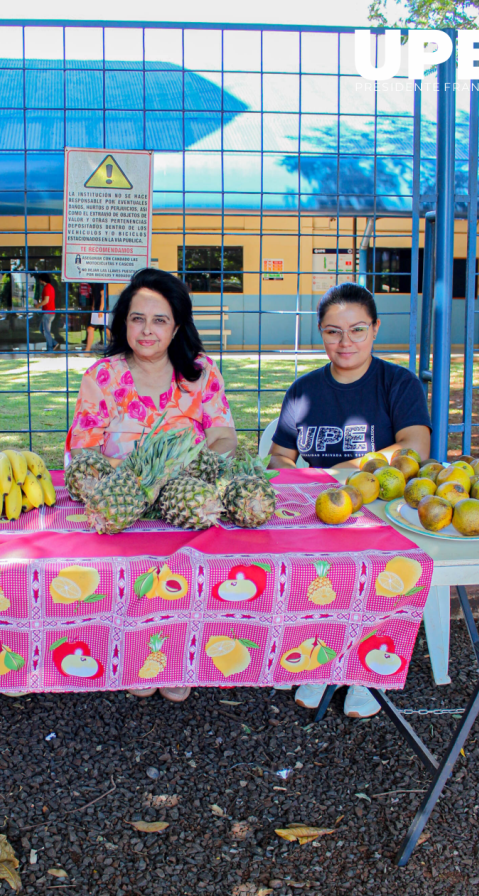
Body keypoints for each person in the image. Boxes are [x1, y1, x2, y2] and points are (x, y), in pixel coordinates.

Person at [66, 268, 237, 703]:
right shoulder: (103, 376)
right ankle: (136, 654)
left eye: (160, 319)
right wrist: (133, 481)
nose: (147, 329)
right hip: (124, 502)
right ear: (122, 323)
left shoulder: (200, 373)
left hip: (186, 499)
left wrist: (197, 468)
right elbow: (84, 449)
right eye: (137, 318)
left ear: (178, 325)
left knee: (188, 573)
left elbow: (223, 434)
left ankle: (178, 656)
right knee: (130, 575)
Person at [269, 281, 432, 718]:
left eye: (357, 330)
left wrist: (341, 475)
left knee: (373, 567)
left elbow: (415, 448)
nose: (345, 342)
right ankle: (320, 654)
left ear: (375, 329)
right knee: (317, 571)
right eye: (332, 331)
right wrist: (305, 482)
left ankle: (364, 668)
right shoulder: (304, 390)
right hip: (320, 512)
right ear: (320, 333)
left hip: (381, 515)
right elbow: (279, 457)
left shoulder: (397, 383)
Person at [37, 273, 59, 351]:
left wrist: (38, 305)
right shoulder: (51, 287)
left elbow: (46, 300)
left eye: (39, 279)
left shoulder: (46, 288)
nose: (39, 281)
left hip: (48, 312)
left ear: (42, 279)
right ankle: (53, 343)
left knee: (46, 331)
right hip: (50, 312)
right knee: (42, 329)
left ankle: (50, 347)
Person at [84, 282, 106, 353]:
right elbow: (95, 297)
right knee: (106, 329)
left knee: (90, 328)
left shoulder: (100, 283)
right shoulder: (94, 284)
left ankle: (87, 351)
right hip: (97, 309)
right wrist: (93, 307)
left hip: (100, 310)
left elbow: (103, 295)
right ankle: (116, 347)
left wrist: (101, 309)